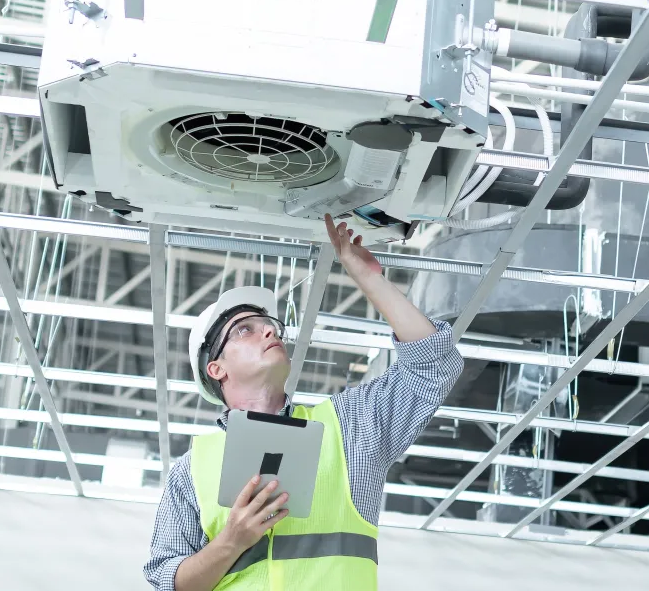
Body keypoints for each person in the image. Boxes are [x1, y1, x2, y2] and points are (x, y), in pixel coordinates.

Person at [144, 214, 465, 591]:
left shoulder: (351, 429)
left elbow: (434, 363)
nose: (269, 329)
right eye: (244, 330)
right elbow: (168, 582)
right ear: (216, 368)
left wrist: (369, 279)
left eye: (269, 325)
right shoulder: (191, 471)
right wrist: (231, 542)